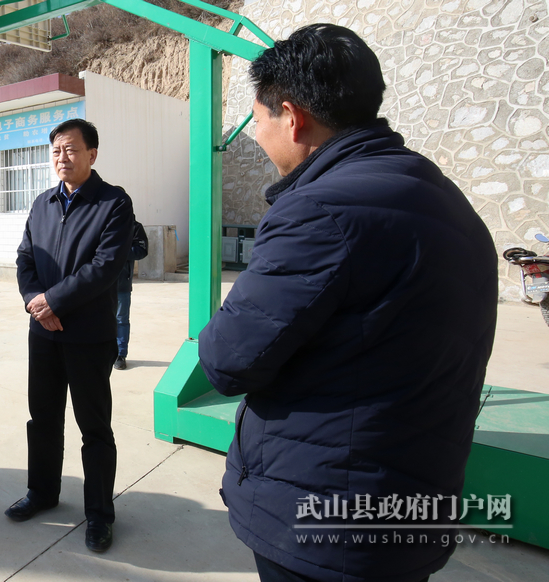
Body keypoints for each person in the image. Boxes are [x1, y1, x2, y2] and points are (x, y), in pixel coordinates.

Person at [198, 24, 498, 582]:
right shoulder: (445, 199)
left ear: (292, 117)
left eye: (258, 121)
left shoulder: (319, 211)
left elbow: (226, 360)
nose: (258, 137)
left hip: (324, 521)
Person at [10, 118, 134, 553]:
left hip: (87, 335)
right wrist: (34, 301)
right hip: (43, 333)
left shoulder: (113, 203)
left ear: (92, 154)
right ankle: (41, 493)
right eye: (57, 150)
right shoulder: (42, 203)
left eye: (72, 150)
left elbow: (104, 267)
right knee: (42, 419)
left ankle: (99, 514)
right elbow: (25, 258)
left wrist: (54, 302)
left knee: (93, 428)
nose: (62, 158)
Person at [113, 220, 148, 370]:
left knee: (121, 320)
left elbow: (141, 250)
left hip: (121, 284)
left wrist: (119, 252)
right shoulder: (99, 221)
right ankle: (101, 352)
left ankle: (120, 355)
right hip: (99, 283)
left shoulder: (134, 227)